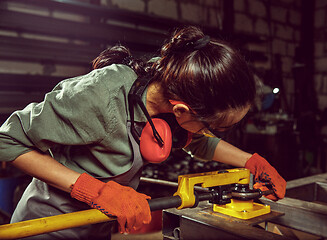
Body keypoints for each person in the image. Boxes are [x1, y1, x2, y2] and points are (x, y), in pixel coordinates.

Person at [0, 26, 286, 239]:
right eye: (213, 127)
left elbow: (197, 141)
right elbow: (7, 140)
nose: (211, 134)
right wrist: (94, 190)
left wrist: (251, 162)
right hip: (46, 226)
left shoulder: (173, 86)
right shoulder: (101, 95)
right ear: (182, 111)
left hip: (96, 227)